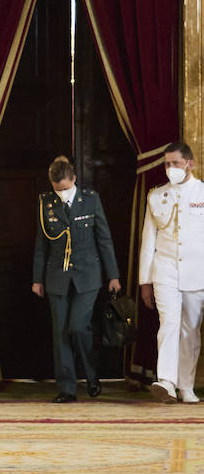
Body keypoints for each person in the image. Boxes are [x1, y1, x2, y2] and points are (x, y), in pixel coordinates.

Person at [31, 156, 121, 403]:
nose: (60, 193)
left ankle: (92, 376)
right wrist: (37, 279)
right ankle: (67, 388)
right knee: (60, 332)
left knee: (78, 327)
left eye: (64, 188)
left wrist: (113, 275)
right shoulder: (45, 202)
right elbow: (41, 244)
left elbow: (104, 239)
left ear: (74, 179)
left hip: (88, 275)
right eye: (56, 189)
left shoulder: (90, 200)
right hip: (56, 275)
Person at [139, 142, 204, 402]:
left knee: (190, 330)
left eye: (175, 163)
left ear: (190, 163)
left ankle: (186, 386)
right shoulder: (156, 196)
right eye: (167, 163)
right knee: (168, 324)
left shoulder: (202, 192)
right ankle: (166, 381)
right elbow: (148, 241)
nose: (170, 168)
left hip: (197, 272)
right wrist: (145, 281)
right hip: (165, 271)